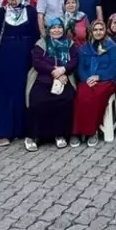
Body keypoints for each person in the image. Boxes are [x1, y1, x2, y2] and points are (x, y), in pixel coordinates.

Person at [0, 0, 39, 147]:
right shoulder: (3, 11)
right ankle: (2, 130)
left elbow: (35, 34)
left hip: (24, 56)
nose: (10, 1)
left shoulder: (30, 11)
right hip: (6, 55)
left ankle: (20, 129)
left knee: (21, 90)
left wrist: (35, 56)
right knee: (3, 91)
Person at [25, 18, 78, 151]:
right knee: (38, 100)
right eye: (53, 27)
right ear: (49, 30)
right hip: (43, 77)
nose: (57, 30)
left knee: (65, 99)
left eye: (59, 27)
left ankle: (59, 134)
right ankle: (33, 136)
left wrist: (63, 70)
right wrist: (54, 71)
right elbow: (37, 61)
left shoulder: (69, 43)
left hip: (65, 77)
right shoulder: (41, 43)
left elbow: (75, 60)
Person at [72, 20, 116, 147]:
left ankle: (91, 132)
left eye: (101, 29)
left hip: (107, 80)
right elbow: (81, 68)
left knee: (96, 96)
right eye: (95, 30)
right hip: (87, 80)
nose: (98, 32)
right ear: (91, 32)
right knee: (81, 96)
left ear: (104, 31)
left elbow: (113, 67)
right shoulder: (84, 49)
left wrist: (99, 76)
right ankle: (76, 132)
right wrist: (87, 79)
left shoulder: (111, 46)